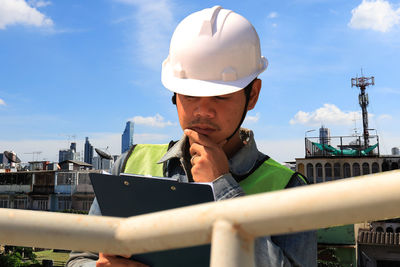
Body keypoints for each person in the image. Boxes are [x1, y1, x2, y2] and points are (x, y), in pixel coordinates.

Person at [66, 6, 317, 267]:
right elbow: (80, 258)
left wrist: (223, 189)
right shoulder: (129, 164)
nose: (203, 111)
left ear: (252, 94)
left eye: (220, 96)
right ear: (174, 94)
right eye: (189, 95)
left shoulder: (287, 188)